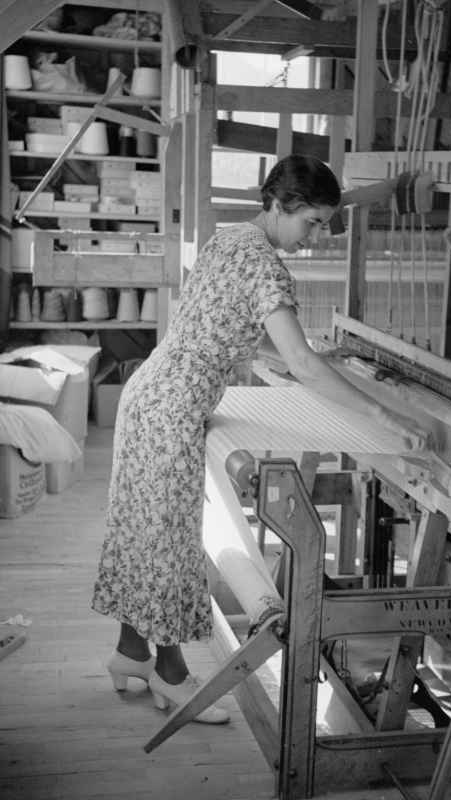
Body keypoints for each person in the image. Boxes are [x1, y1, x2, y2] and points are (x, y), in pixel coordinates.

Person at [92, 154, 429, 724]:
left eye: (324, 222)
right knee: (170, 545)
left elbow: (242, 334)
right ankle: (171, 676)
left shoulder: (229, 241)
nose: (319, 236)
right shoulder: (268, 269)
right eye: (313, 223)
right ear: (281, 205)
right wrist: (385, 416)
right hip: (172, 412)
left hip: (147, 395)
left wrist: (312, 361)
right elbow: (297, 360)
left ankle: (131, 655)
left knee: (142, 535)